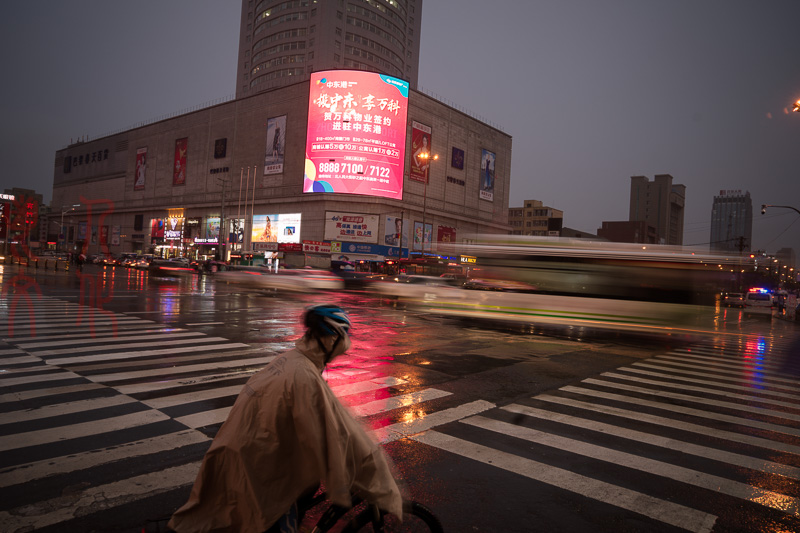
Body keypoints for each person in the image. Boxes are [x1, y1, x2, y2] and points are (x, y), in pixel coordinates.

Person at [168, 305, 402, 533]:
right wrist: (377, 477)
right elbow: (335, 431)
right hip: (258, 469)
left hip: (238, 452)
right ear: (331, 340)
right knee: (275, 514)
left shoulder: (292, 360)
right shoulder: (304, 376)